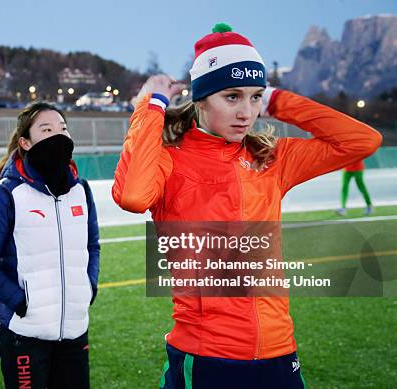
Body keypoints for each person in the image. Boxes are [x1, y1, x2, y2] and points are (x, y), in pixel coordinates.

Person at [112, 23, 382, 389]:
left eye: (255, 97)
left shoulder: (270, 158)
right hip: (208, 354)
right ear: (201, 98)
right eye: (232, 97)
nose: (246, 112)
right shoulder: (170, 161)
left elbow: (362, 141)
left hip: (280, 351)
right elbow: (132, 195)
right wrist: (150, 105)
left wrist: (277, 101)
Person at [0, 102, 100, 389]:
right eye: (47, 129)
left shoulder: (81, 191)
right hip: (25, 334)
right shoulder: (6, 194)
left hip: (75, 331)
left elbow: (93, 246)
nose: (59, 135)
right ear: (25, 142)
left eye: (63, 128)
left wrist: (89, 285)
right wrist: (20, 301)